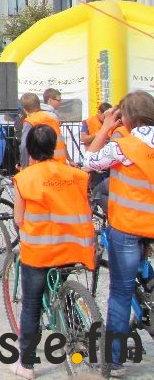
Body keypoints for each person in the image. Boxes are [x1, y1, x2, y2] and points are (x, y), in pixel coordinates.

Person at [12, 124, 94, 379]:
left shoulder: (25, 178)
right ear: (53, 147)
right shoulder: (75, 175)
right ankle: (79, 335)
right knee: (63, 291)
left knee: (31, 303)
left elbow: (18, 218)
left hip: (39, 252)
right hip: (72, 247)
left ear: (30, 150)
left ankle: (26, 364)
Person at [85, 91, 154, 374]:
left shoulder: (124, 147)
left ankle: (114, 360)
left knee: (120, 292)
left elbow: (89, 162)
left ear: (127, 117)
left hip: (128, 226)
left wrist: (105, 128)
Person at [18, 92, 67, 168]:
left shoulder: (30, 122)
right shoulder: (52, 119)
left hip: (39, 167)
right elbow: (62, 142)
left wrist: (24, 167)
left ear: (24, 109)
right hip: (59, 165)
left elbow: (24, 146)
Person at [81, 102, 113, 211]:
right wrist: (98, 135)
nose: (105, 119)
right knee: (96, 190)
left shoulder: (112, 122)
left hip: (108, 161)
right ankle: (94, 209)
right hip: (93, 161)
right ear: (99, 112)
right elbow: (83, 138)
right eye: (104, 116)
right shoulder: (88, 122)